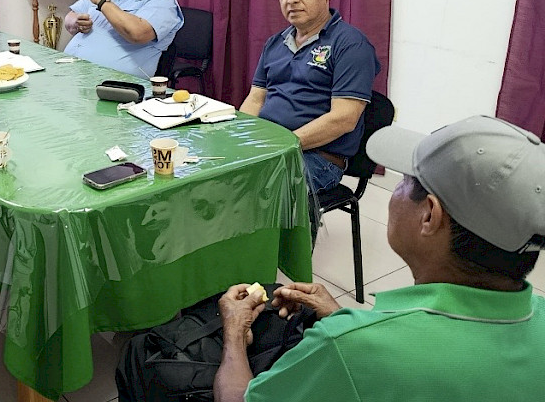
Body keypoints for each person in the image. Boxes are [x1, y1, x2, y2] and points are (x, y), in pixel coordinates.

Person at [213, 115, 545, 402]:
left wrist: (235, 331)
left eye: (406, 180)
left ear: (429, 216)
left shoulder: (347, 348)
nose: (397, 191)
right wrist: (345, 319)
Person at [238, 0, 380, 196]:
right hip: (268, 146)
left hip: (317, 157)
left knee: (246, 190)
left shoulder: (351, 45)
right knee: (208, 172)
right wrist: (240, 136)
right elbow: (255, 99)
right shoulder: (275, 43)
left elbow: (344, 118)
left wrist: (282, 145)